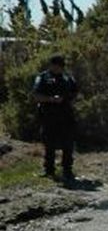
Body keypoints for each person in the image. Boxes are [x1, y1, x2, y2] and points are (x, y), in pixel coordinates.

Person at [32, 54, 78, 183]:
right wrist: (51, 99)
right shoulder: (43, 77)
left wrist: (67, 99)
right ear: (52, 65)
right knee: (49, 143)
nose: (58, 68)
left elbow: (75, 93)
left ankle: (67, 170)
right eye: (56, 66)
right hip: (48, 115)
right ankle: (49, 170)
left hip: (66, 116)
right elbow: (36, 95)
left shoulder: (68, 78)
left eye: (60, 66)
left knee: (68, 144)